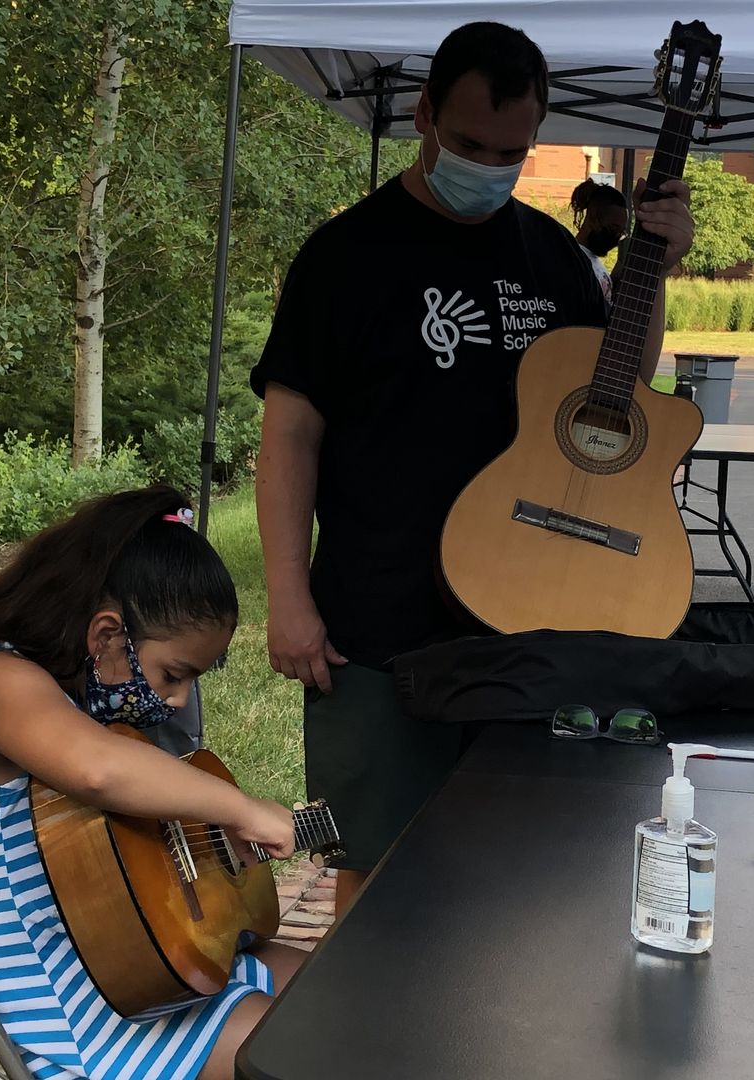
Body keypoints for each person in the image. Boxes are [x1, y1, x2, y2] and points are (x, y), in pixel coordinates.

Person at [250, 21, 695, 915]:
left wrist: (659, 266)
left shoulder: (555, 255)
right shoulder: (345, 258)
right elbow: (289, 435)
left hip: (536, 625)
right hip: (379, 624)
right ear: (423, 115)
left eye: (513, 151)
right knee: (370, 871)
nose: (490, 165)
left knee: (520, 873)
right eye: (468, 144)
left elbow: (621, 392)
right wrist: (288, 599)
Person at [0, 485, 304, 1080]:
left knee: (336, 994)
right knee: (302, 1049)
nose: (176, 702)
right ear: (104, 636)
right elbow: (100, 771)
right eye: (175, 675)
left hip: (127, 966)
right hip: (67, 1011)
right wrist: (239, 808)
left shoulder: (76, 694)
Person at [570, 177, 629, 301]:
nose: (616, 239)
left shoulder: (593, 261)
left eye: (621, 232)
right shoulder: (572, 261)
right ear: (593, 219)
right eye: (613, 229)